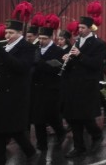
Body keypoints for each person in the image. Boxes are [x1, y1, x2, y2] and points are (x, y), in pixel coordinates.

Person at [0, 13, 37, 165]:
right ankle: (0, 160)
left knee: (12, 130)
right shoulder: (3, 46)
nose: (7, 35)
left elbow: (21, 67)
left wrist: (0, 52)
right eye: (6, 32)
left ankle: (30, 152)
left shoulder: (27, 48)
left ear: (20, 33)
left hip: (14, 96)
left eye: (11, 33)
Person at [61, 5, 106, 158]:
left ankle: (97, 135)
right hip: (73, 85)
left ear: (90, 28)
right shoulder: (76, 42)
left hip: (87, 86)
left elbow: (97, 65)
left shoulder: (99, 44)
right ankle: (78, 147)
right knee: (74, 119)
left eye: (82, 27)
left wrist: (80, 56)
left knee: (86, 118)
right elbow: (74, 64)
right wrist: (66, 59)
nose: (79, 30)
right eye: (79, 27)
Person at [30, 15, 66, 151]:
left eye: (44, 39)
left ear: (51, 38)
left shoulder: (58, 51)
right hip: (37, 88)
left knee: (51, 115)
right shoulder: (36, 49)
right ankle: (41, 143)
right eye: (40, 38)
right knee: (38, 118)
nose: (41, 41)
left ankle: (60, 131)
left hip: (51, 89)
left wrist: (39, 63)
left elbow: (55, 68)